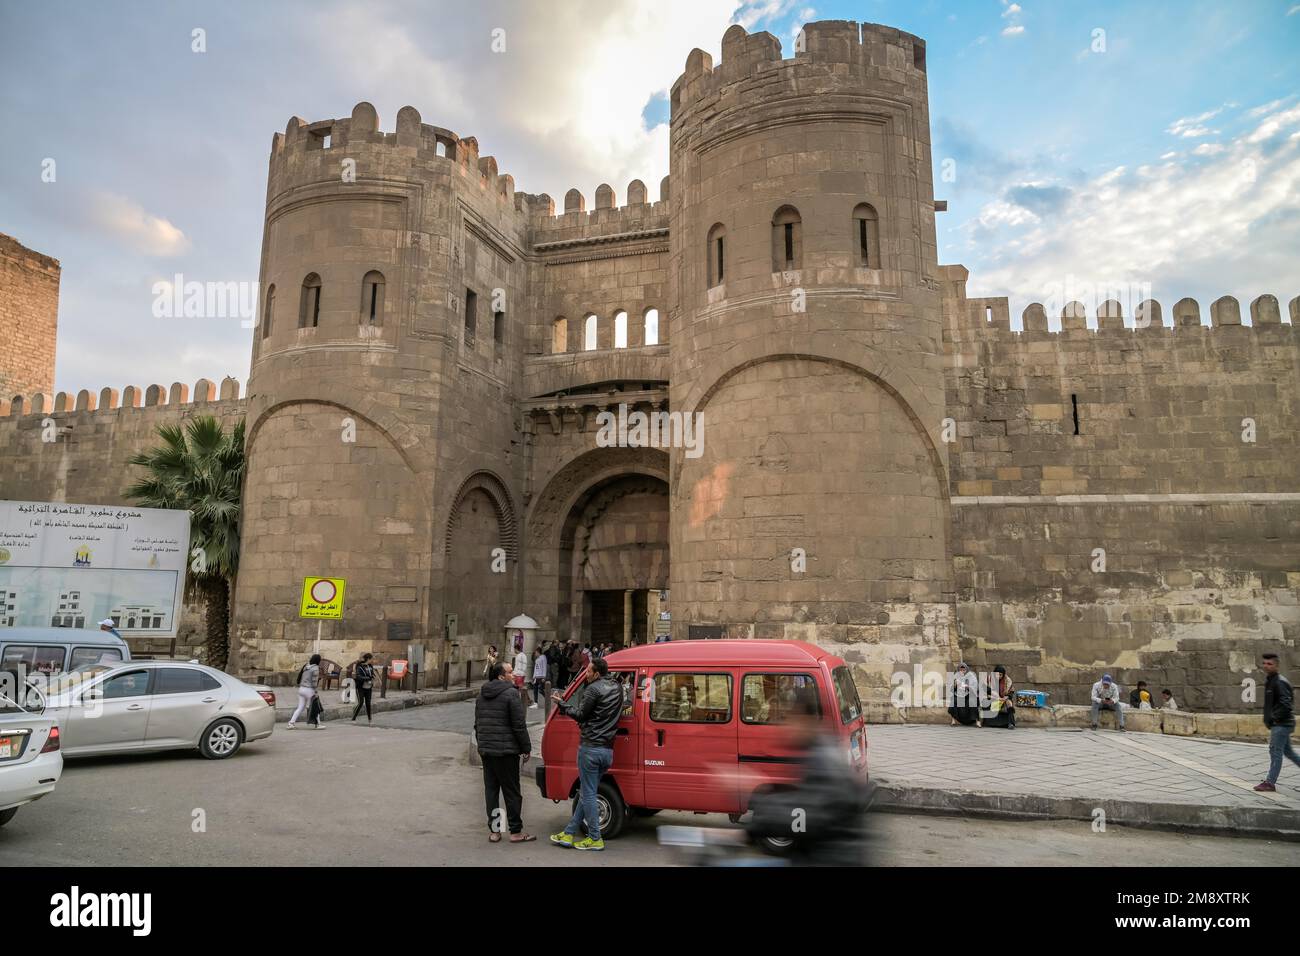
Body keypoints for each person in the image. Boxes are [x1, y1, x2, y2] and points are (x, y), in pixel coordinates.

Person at [745, 696, 872, 865]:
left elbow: (805, 815)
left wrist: (759, 818)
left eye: (791, 719)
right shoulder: (816, 754)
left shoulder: (824, 762)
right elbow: (802, 800)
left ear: (807, 721)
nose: (786, 727)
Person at [549, 657, 623, 851]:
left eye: (588, 672)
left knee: (589, 794)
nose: (586, 674)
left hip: (591, 748)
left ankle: (595, 838)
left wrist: (562, 704)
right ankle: (569, 833)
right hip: (607, 750)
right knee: (586, 792)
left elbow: (581, 714)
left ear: (597, 673)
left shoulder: (593, 689)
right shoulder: (617, 688)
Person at [474, 662, 535, 842]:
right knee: (511, 792)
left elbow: (477, 724)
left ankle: (495, 831)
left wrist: (482, 744)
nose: (513, 674)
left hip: (487, 751)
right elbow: (518, 725)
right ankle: (515, 831)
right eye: (510, 672)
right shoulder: (511, 694)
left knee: (492, 791)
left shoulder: (481, 694)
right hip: (506, 752)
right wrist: (526, 747)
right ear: (501, 676)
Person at [1255, 653, 1299, 792]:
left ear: (1276, 665)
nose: (1266, 666)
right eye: (1265, 663)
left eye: (1270, 664)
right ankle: (1270, 781)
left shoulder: (1279, 682)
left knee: (1275, 751)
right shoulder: (1271, 680)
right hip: (1280, 723)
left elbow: (1286, 704)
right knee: (1289, 752)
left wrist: (1274, 718)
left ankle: (1270, 782)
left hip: (1281, 724)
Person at [287, 654, 322, 729]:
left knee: (300, 708)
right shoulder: (315, 668)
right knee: (314, 707)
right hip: (309, 690)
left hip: (301, 689)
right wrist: (315, 691)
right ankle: (318, 724)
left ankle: (291, 723)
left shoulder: (306, 666)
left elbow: (300, 676)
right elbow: (314, 681)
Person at [980, 665, 1015, 729]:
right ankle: (990, 723)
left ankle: (1010, 723)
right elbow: (985, 690)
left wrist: (1006, 697)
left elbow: (1011, 692)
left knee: (1009, 704)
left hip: (1003, 699)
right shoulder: (989, 679)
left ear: (1003, 675)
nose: (998, 676)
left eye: (1000, 675)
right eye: (997, 674)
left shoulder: (1008, 680)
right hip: (992, 699)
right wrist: (996, 697)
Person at [948, 662, 981, 727]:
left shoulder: (971, 675)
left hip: (969, 695)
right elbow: (951, 688)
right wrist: (955, 685)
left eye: (964, 670)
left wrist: (967, 686)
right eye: (961, 670)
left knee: (972, 701)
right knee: (953, 701)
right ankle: (953, 720)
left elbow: (975, 687)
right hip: (959, 695)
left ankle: (978, 721)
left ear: (966, 669)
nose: (962, 671)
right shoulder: (956, 676)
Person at [351, 652, 376, 724]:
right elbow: (358, 676)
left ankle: (370, 720)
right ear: (368, 659)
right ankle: (353, 718)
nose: (372, 660)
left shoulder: (370, 666)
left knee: (368, 703)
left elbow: (372, 675)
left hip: (368, 688)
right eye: (372, 659)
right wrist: (368, 678)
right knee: (361, 703)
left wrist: (373, 678)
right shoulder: (360, 667)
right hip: (360, 688)